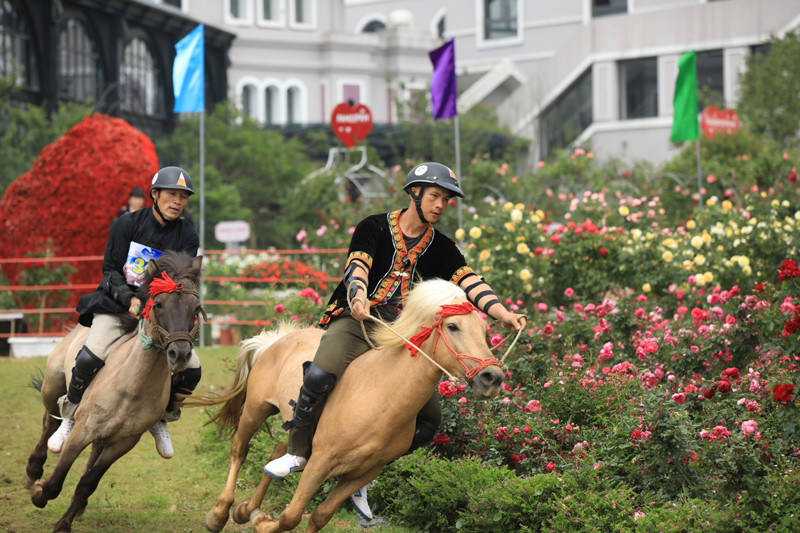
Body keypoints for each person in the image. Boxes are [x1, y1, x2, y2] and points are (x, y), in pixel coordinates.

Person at [264, 162, 526, 519]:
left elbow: (470, 281)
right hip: (357, 319)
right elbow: (357, 266)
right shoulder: (373, 227)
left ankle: (361, 474)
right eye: (434, 196)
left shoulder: (442, 247)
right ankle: (296, 452)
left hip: (402, 332)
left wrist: (503, 313)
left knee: (429, 422)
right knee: (320, 373)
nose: (440, 205)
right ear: (414, 193)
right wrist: (358, 294)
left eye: (446, 200)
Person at [48, 166, 202, 459]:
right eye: (172, 194)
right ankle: (69, 415)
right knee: (88, 357)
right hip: (118, 305)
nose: (178, 201)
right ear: (154, 194)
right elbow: (109, 270)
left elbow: (183, 282)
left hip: (159, 315)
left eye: (183, 197)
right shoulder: (126, 224)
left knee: (192, 369)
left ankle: (162, 417)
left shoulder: (187, 234)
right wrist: (129, 298)